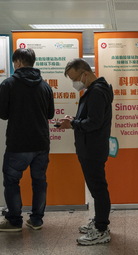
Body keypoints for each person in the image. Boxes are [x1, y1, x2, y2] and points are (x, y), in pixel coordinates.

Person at [59, 58, 113, 245]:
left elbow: (94, 122)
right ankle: (99, 222)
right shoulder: (96, 89)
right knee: (96, 188)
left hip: (93, 148)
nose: (75, 83)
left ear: (86, 73)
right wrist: (75, 119)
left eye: (75, 78)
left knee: (98, 189)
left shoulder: (97, 91)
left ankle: (101, 229)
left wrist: (72, 123)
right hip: (91, 146)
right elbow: (92, 118)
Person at [0, 48, 54, 232]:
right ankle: (36, 220)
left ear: (18, 62)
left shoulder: (8, 84)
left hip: (18, 143)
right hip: (41, 143)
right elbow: (50, 114)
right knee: (39, 181)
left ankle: (15, 221)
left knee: (12, 181)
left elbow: (3, 114)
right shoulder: (45, 86)